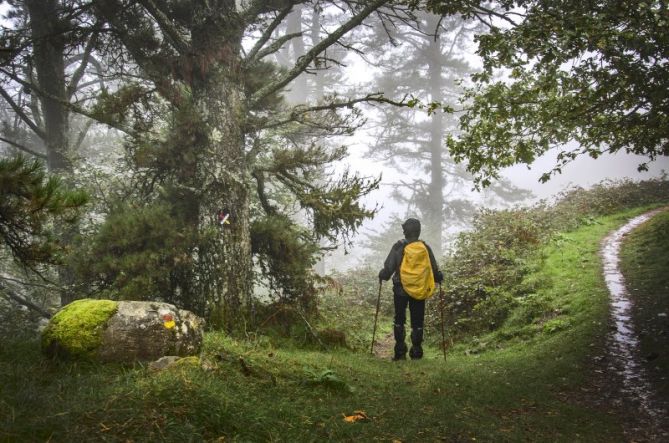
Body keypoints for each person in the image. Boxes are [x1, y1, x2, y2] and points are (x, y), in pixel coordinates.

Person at [378, 218, 443, 361]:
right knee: (418, 321)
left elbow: (389, 267)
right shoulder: (425, 247)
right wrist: (439, 277)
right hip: (420, 288)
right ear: (418, 231)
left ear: (406, 231)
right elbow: (433, 268)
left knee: (399, 319)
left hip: (400, 289)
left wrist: (383, 275)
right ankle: (417, 353)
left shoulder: (398, 246)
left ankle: (400, 353)